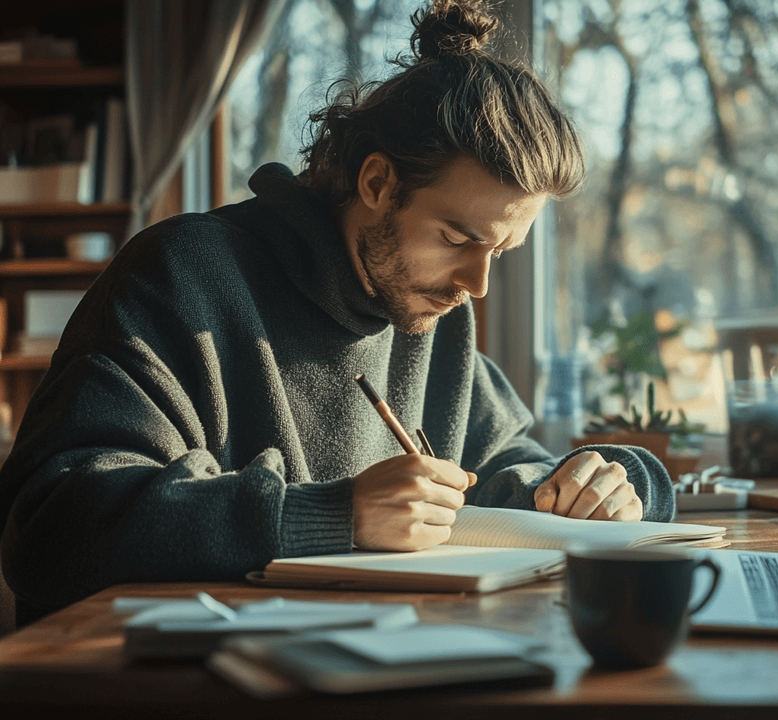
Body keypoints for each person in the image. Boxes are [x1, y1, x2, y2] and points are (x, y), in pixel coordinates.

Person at [0, 0, 674, 627]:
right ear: (377, 182)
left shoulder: (429, 309)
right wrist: (330, 516)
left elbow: (512, 471)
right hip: (170, 681)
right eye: (456, 239)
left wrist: (608, 482)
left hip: (380, 663)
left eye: (500, 251)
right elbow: (50, 525)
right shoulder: (182, 274)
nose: (477, 284)